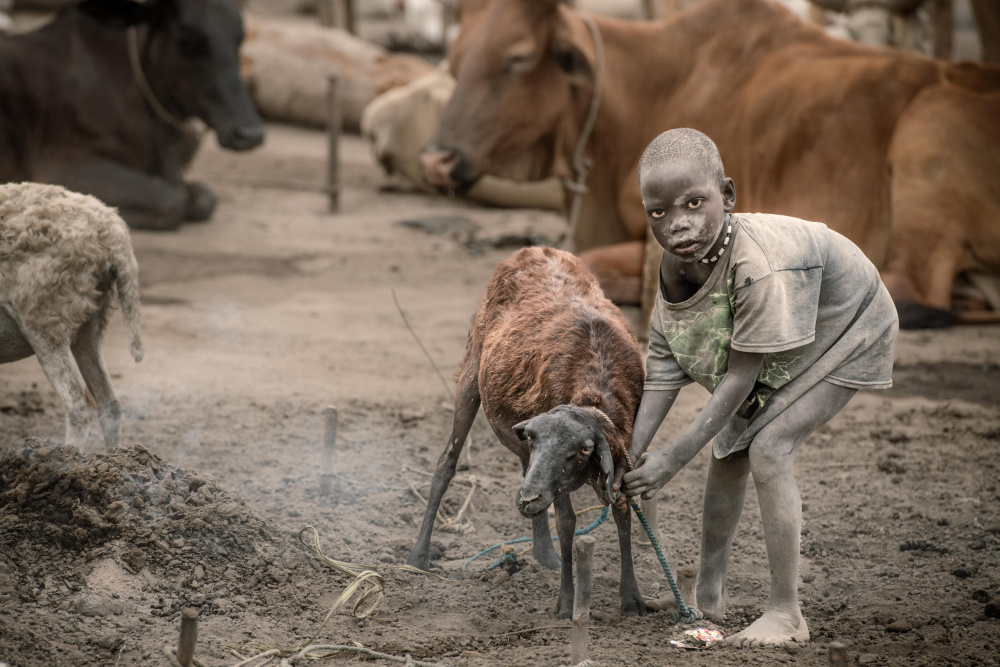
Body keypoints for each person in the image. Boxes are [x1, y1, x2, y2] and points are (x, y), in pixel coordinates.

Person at [612, 128, 898, 647]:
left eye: (694, 203)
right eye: (659, 213)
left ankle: (787, 613)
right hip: (788, 328)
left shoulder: (755, 266)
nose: (678, 225)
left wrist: (672, 458)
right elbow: (663, 367)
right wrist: (629, 452)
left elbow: (741, 375)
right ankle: (710, 594)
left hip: (848, 321)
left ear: (727, 195)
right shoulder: (675, 265)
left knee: (769, 447)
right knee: (728, 451)